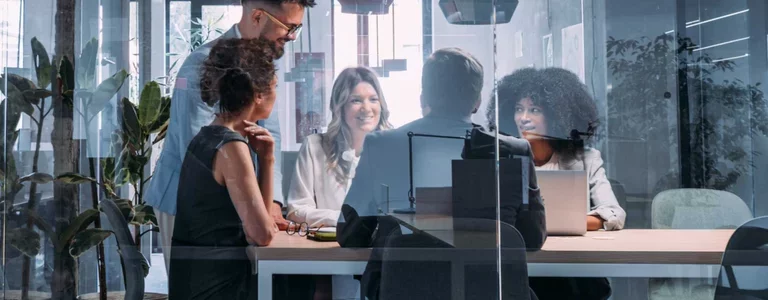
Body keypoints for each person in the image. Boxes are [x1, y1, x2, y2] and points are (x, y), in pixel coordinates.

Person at [337, 48, 546, 299]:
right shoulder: (514, 150)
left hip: (401, 290)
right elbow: (532, 238)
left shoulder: (380, 145)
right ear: (477, 100)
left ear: (425, 96)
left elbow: (350, 235)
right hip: (489, 291)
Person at [145, 0, 316, 273]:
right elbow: (200, 152)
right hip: (187, 199)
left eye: (298, 27)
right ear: (258, 16)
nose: (292, 36)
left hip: (237, 198)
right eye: (289, 27)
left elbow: (269, 132)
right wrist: (252, 208)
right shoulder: (203, 64)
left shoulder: (265, 61)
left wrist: (272, 203)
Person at [490, 67, 625, 300]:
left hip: (574, 267)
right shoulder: (502, 161)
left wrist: (561, 223)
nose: (524, 117)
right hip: (524, 264)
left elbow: (613, 212)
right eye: (518, 109)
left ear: (555, 115)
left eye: (534, 110)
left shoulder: (586, 159)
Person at [168, 37, 279, 299]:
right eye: (275, 86)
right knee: (306, 286)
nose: (277, 92)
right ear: (259, 95)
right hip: (216, 288)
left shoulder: (208, 135)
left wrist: (266, 159)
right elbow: (261, 235)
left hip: (195, 283)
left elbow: (260, 222)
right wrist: (265, 160)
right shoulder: (231, 148)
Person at [286, 67, 392, 299]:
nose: (366, 108)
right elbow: (296, 210)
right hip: (335, 261)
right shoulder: (315, 146)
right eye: (356, 100)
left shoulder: (394, 147)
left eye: (373, 99)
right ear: (339, 106)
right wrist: (345, 221)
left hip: (383, 263)